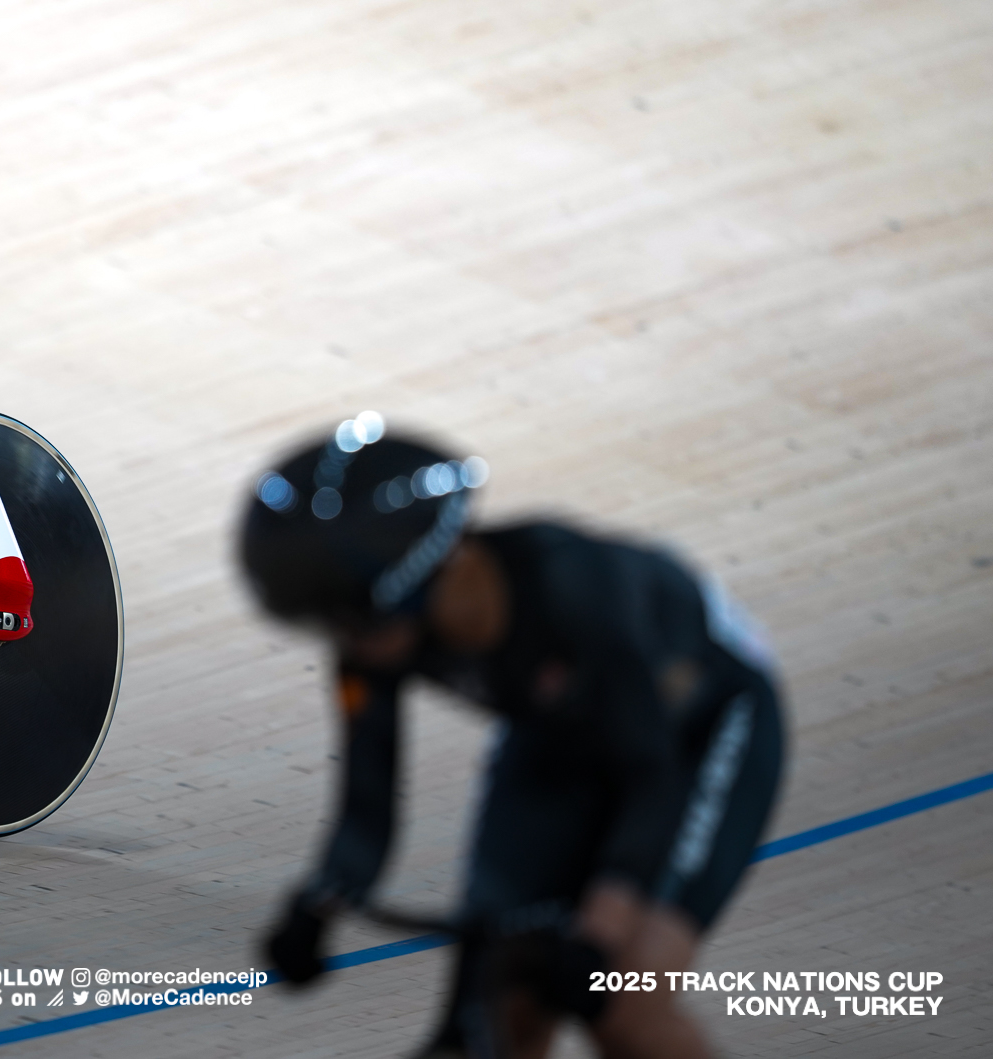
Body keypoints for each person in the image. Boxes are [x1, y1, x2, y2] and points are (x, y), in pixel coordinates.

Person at [239, 413, 785, 1059]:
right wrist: (318, 904)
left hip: (698, 730)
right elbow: (368, 794)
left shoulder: (576, 588)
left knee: (624, 999)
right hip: (557, 738)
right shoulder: (373, 632)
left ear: (446, 565)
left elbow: (650, 777)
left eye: (361, 621)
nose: (352, 647)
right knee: (498, 1019)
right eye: (331, 626)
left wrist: (599, 932)